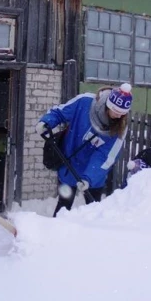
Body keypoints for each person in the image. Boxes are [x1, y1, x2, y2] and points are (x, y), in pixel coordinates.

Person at [35, 83, 133, 217]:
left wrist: (89, 178)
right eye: (116, 111)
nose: (118, 116)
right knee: (63, 207)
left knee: (93, 212)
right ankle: (56, 234)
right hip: (69, 165)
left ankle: (91, 237)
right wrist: (46, 122)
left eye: (122, 113)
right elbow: (60, 113)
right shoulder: (85, 102)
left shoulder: (120, 127)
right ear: (108, 105)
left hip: (94, 176)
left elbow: (106, 156)